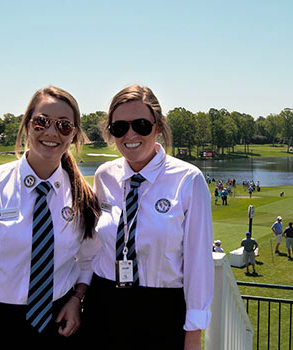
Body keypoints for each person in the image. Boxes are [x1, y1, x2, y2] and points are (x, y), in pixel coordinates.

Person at [0, 86, 100, 349]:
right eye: (41, 122)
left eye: (64, 126)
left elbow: (89, 258)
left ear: (74, 136)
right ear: (26, 125)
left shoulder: (83, 197)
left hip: (58, 325)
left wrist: (77, 298)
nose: (51, 132)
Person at [80, 85, 214, 350]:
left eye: (141, 125)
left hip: (162, 310)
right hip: (103, 303)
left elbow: (199, 264)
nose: (130, 134)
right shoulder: (104, 176)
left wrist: (193, 334)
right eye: (119, 127)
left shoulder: (188, 180)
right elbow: (94, 248)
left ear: (159, 126)